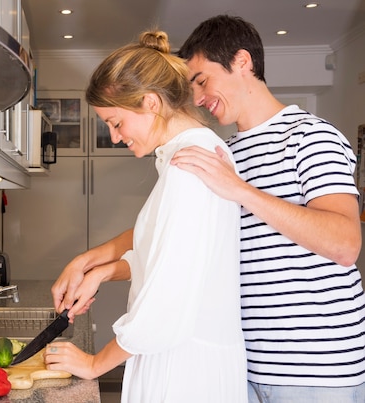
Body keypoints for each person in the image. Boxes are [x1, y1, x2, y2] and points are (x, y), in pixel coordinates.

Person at [53, 14, 365, 403]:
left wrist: (241, 191)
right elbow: (171, 238)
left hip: (313, 367)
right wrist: (92, 263)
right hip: (250, 362)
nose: (196, 97)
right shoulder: (223, 153)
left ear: (242, 62)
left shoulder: (310, 137)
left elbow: (345, 243)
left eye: (201, 81)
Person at [43, 29, 248, 402]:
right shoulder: (186, 156)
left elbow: (164, 303)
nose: (115, 137)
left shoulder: (190, 167)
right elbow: (166, 257)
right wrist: (97, 269)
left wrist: (93, 365)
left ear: (151, 103)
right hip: (185, 363)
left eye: (116, 122)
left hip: (185, 373)